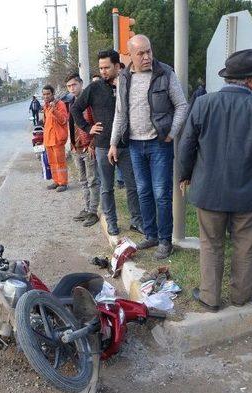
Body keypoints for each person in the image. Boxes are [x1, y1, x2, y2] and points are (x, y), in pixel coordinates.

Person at [178, 49, 252, 311]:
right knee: (245, 245)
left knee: (211, 244)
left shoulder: (203, 104)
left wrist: (185, 175)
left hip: (209, 191)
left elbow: (186, 145)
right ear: (250, 80)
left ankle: (210, 298)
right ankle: (240, 296)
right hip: (249, 193)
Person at [110, 34, 188, 260]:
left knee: (161, 194)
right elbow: (120, 114)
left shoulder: (165, 73)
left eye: (149, 51)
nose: (146, 56)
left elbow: (182, 106)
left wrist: (171, 133)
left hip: (159, 144)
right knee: (143, 192)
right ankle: (151, 234)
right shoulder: (124, 77)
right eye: (141, 53)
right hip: (134, 145)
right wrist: (114, 143)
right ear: (131, 56)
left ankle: (165, 240)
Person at [71, 50, 143, 236]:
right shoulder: (94, 88)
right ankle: (111, 222)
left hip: (127, 144)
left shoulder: (128, 84)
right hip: (103, 145)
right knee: (107, 187)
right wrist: (88, 128)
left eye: (106, 67)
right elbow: (75, 109)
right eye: (100, 68)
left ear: (118, 66)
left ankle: (136, 221)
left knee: (132, 186)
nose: (103, 71)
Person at [65, 73, 100, 227]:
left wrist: (92, 144)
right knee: (83, 181)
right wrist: (72, 145)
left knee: (93, 181)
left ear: (80, 83)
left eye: (74, 85)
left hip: (88, 148)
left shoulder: (89, 102)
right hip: (76, 148)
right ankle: (87, 208)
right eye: (69, 86)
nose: (72, 88)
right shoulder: (71, 102)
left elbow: (97, 124)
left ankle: (93, 212)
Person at [41, 84, 69, 192]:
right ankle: (56, 181)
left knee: (60, 162)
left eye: (48, 94)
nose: (46, 96)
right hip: (48, 139)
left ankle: (63, 183)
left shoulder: (60, 104)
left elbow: (63, 120)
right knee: (52, 162)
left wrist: (54, 110)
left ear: (53, 94)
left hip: (57, 139)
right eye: (44, 94)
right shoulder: (46, 106)